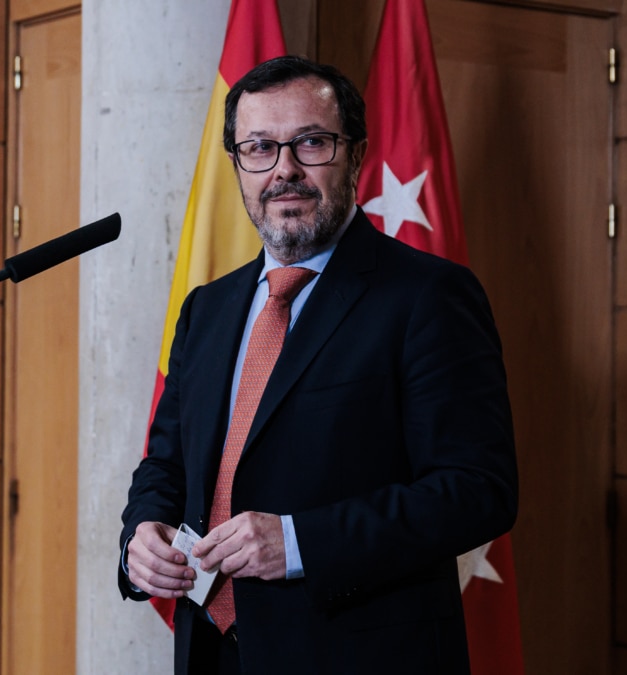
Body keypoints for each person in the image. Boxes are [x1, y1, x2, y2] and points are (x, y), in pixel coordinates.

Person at [118, 55, 518, 675]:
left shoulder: (427, 296)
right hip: (211, 653)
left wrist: (300, 542)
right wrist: (141, 534)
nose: (285, 170)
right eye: (260, 147)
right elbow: (167, 461)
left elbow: (477, 491)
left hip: (360, 654)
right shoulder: (209, 308)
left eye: (312, 143)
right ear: (238, 166)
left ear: (355, 156)